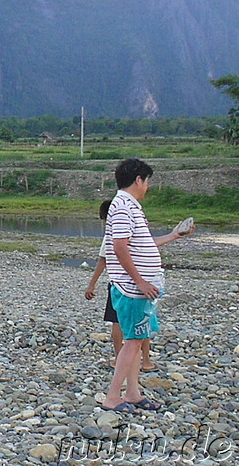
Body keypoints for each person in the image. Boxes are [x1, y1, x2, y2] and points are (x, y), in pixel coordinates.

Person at [101, 159, 194, 414]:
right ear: (139, 180)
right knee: (132, 342)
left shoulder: (130, 206)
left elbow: (142, 244)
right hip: (132, 289)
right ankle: (112, 397)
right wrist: (140, 282)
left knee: (138, 337)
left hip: (139, 288)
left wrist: (175, 235)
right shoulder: (122, 207)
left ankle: (132, 393)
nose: (148, 186)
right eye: (147, 180)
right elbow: (119, 247)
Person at [85, 200, 155, 371]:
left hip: (121, 284)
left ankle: (119, 359)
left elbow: (103, 260)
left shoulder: (115, 233)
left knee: (117, 321)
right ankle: (145, 361)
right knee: (142, 321)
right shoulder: (138, 230)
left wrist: (91, 285)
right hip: (142, 282)